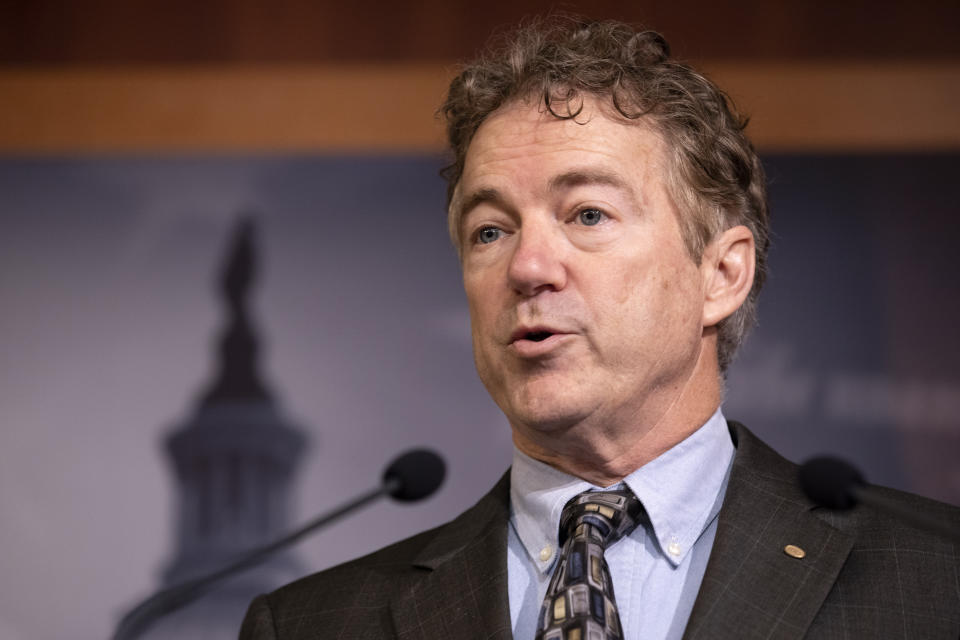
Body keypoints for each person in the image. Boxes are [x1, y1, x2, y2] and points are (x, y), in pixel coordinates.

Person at [240, 18, 960, 639]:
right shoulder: (315, 624)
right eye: (490, 231)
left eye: (587, 214)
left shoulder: (935, 578)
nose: (527, 266)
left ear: (721, 275)